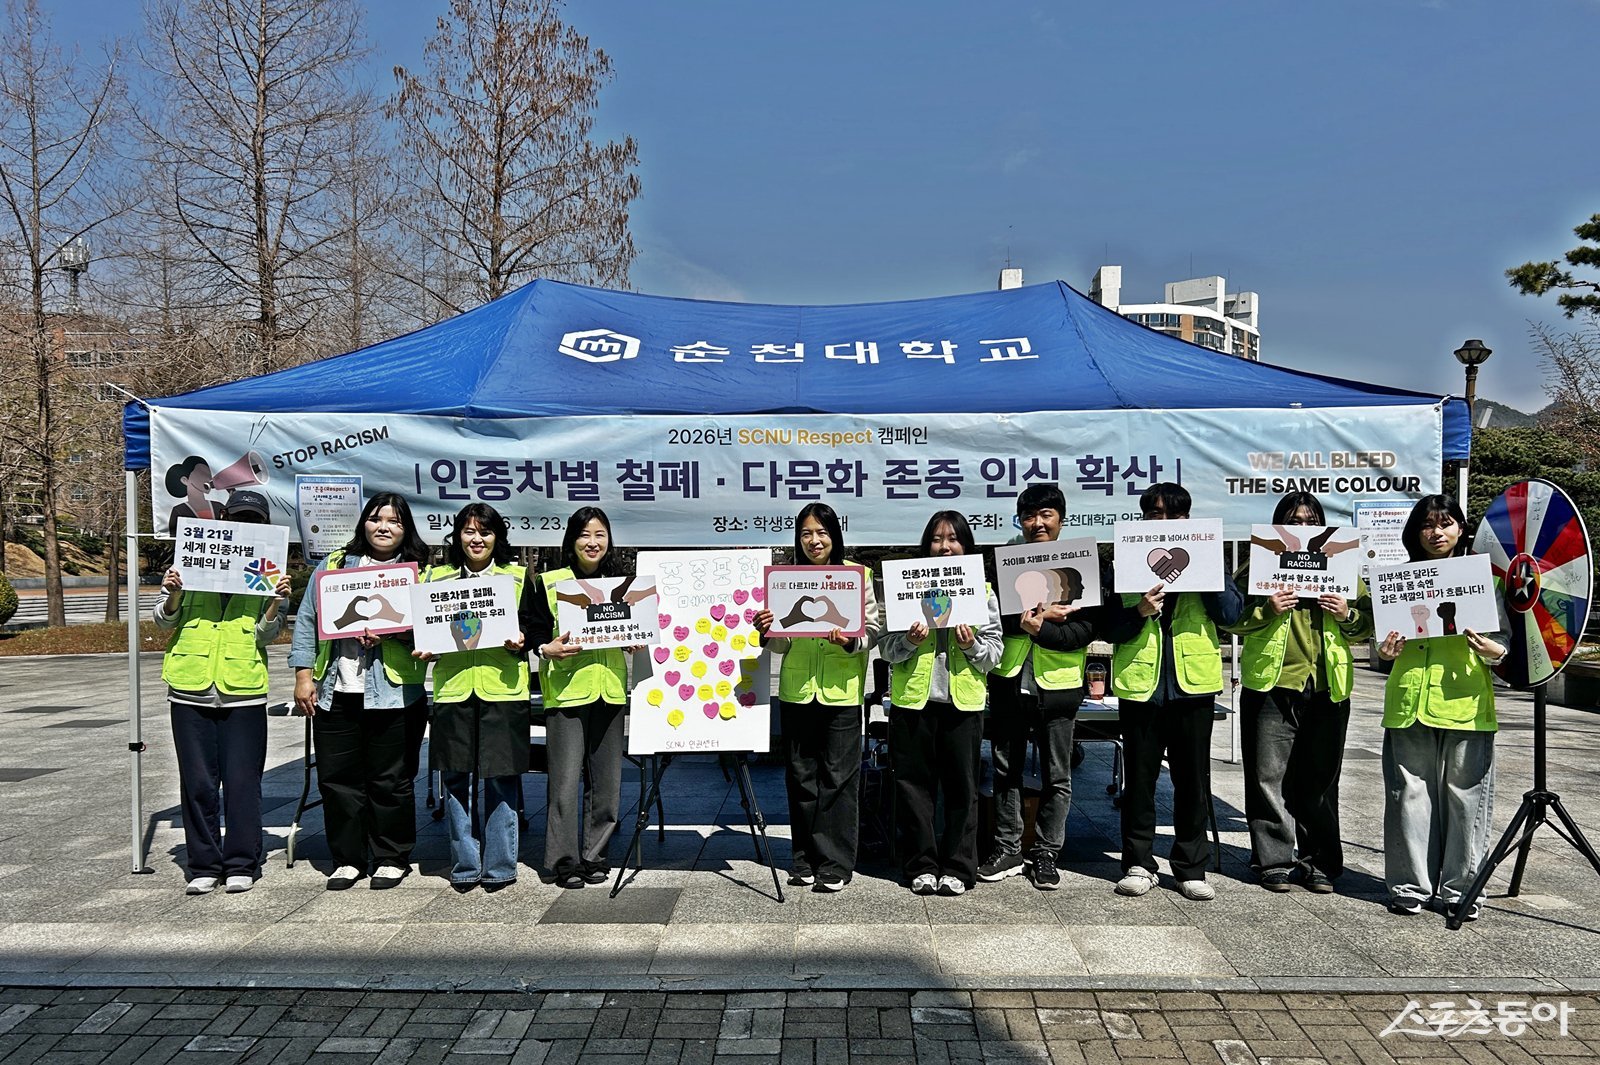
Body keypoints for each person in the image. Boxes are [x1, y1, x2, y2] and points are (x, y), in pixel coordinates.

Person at [1226, 492, 1373, 893]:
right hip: (1271, 683)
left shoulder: (1344, 567)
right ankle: (1272, 860)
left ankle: (1320, 861)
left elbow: (1368, 626)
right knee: (1266, 776)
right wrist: (1265, 609)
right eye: (1294, 519)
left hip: (1328, 685)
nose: (1303, 527)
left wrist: (1348, 614)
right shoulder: (1256, 565)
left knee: (1321, 779)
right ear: (1279, 524)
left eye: (1311, 521)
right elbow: (1228, 619)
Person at [1102, 482, 1243, 901]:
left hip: (1192, 685)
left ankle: (1190, 867)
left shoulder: (1209, 558)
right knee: (1140, 781)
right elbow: (1106, 626)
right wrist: (1138, 611)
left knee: (1192, 780)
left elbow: (1231, 614)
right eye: (1154, 513)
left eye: (1173, 514)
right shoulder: (1124, 560)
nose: (1163, 521)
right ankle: (1138, 862)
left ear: (1188, 518)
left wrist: (1205, 575)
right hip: (1141, 685)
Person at [288, 493, 430, 890]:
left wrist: (394, 634)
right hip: (336, 691)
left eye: (395, 521)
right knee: (337, 778)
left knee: (392, 779)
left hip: (395, 693)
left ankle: (391, 856)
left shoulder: (419, 573)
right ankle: (347, 859)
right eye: (376, 518)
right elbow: (306, 620)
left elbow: (430, 631)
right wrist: (303, 676)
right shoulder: (334, 564)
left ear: (406, 530)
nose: (383, 527)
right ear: (363, 523)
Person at [1376, 494, 1505, 920]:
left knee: (1466, 797)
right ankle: (1410, 885)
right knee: (1409, 795)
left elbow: (1508, 643)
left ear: (1461, 529)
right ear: (1415, 533)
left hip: (1466, 701)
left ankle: (1461, 888)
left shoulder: (1485, 579)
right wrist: (1386, 653)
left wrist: (1494, 650)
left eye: (1446, 523)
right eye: (1428, 525)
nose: (1437, 532)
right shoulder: (1397, 581)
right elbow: (1384, 650)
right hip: (1409, 699)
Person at [155, 491, 291, 894]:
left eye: (254, 521)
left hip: (243, 690)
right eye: (238, 518)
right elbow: (163, 622)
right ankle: (203, 863)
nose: (245, 527)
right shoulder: (193, 559)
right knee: (197, 782)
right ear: (223, 520)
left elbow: (267, 635)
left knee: (242, 781)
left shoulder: (268, 572)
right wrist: (174, 591)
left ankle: (241, 863)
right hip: (190, 688)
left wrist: (274, 602)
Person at [979, 483, 1109, 891]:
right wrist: (1027, 615)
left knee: (1058, 774)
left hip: (1059, 685)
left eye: (1047, 515)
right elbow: (989, 615)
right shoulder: (1001, 562)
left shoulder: (1080, 565)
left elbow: (1083, 631)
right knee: (1006, 769)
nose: (1038, 523)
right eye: (1030, 516)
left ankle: (1047, 852)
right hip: (1009, 680)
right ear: (1020, 520)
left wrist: (1041, 630)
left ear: (1061, 519)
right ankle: (1008, 846)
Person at [754, 502, 882, 892]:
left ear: (835, 536)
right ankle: (804, 858)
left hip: (841, 693)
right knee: (800, 776)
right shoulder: (785, 581)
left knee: (839, 779)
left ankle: (836, 863)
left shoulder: (856, 576)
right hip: (797, 691)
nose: (814, 540)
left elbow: (873, 630)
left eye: (822, 532)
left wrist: (850, 641)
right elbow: (780, 647)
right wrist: (768, 630)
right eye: (806, 533)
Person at [877, 511, 1003, 895]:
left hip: (963, 703)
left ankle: (960, 867)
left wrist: (971, 645)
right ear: (926, 545)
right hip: (914, 702)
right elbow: (885, 648)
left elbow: (994, 654)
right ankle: (920, 866)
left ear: (966, 546)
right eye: (936, 539)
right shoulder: (906, 588)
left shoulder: (982, 591)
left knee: (962, 788)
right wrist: (910, 642)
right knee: (914, 788)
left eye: (953, 539)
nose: (944, 547)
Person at [418, 504, 531, 893]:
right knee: (455, 778)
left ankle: (500, 864)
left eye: (484, 531)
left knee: (501, 778)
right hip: (454, 690)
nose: (476, 539)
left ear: (497, 537)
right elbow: (424, 628)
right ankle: (464, 863)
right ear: (457, 537)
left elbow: (534, 625)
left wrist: (524, 641)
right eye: (468, 531)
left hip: (503, 689)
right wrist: (426, 647)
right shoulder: (436, 579)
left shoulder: (517, 578)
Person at [524, 506, 631, 889]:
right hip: (567, 692)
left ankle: (595, 855)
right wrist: (544, 649)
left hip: (610, 690)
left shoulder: (623, 584)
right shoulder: (547, 583)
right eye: (585, 534)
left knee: (607, 782)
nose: (593, 542)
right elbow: (532, 630)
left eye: (600, 534)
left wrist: (634, 640)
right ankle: (564, 860)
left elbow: (634, 630)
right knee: (565, 782)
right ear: (571, 540)